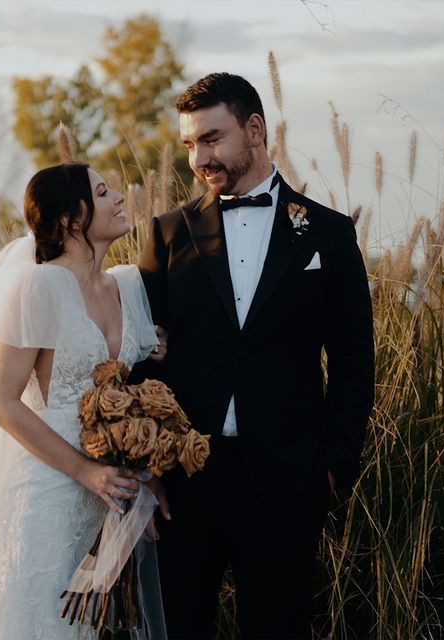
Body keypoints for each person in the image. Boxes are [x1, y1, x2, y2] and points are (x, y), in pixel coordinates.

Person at [137, 73, 375, 639]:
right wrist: (147, 463)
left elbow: (353, 360)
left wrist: (335, 462)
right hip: (184, 481)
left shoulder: (330, 235)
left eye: (212, 139)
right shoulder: (168, 233)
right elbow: (142, 355)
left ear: (255, 129)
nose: (199, 157)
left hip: (289, 480)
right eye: (190, 144)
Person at [0, 163, 168, 639]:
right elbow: (2, 402)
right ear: (70, 219)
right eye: (104, 192)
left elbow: (131, 388)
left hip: (109, 500)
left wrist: (140, 472)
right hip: (47, 495)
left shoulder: (127, 285)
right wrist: (86, 470)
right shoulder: (38, 286)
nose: (120, 199)